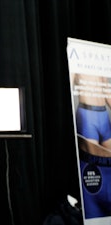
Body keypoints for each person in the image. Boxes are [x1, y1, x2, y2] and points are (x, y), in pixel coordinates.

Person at [72, 72, 111, 219]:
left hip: (104, 116)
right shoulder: (77, 61)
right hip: (87, 115)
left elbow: (106, 90)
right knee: (91, 165)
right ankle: (92, 212)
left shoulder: (97, 65)